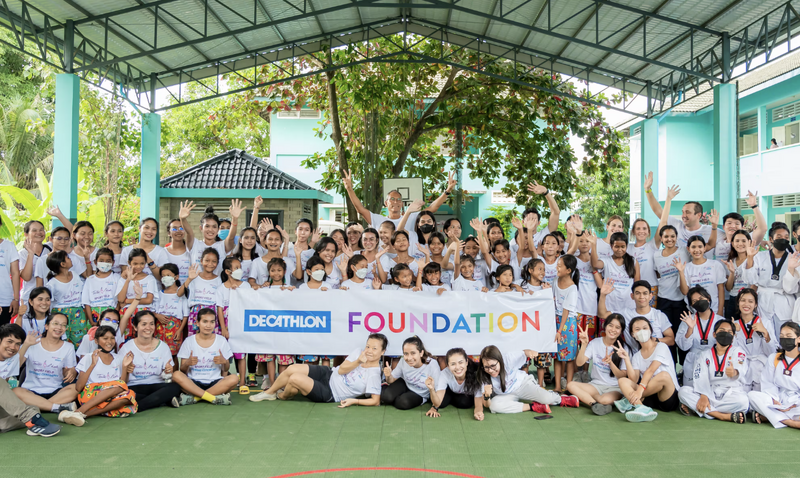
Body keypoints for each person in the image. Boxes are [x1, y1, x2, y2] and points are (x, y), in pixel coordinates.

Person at [251, 333, 387, 406]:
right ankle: (270, 392)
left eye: (374, 349)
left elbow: (375, 401)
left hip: (330, 393)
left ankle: (283, 395)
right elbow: (341, 370)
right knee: (293, 368)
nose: (369, 350)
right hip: (329, 373)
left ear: (382, 352)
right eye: (368, 346)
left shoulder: (374, 374)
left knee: (294, 379)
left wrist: (353, 401)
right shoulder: (359, 352)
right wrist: (358, 361)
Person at [58, 326, 138, 426]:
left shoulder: (119, 358)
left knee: (130, 394)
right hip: (89, 396)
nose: (110, 341)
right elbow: (78, 387)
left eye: (112, 338)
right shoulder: (88, 357)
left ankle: (80, 414)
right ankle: (81, 411)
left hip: (110, 397)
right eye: (105, 338)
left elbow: (123, 386)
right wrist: (92, 364)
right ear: (96, 341)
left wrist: (125, 367)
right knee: (121, 388)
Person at [678, 319, 749, 423]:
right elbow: (700, 376)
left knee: (743, 402)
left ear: (733, 337)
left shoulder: (738, 352)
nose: (726, 334)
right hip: (709, 392)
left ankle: (704, 410)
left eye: (729, 332)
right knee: (683, 391)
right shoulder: (704, 354)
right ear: (714, 334)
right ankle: (723, 416)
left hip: (730, 393)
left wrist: (734, 372)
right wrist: (703, 396)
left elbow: (741, 367)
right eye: (722, 330)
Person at [342, 170, 454, 232]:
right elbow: (360, 209)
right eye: (392, 199)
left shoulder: (412, 217)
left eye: (399, 200)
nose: (396, 202)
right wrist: (349, 189)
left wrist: (447, 191)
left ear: (402, 204)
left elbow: (433, 208)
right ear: (386, 203)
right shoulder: (378, 219)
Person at [0, 323, 61, 436]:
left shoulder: (12, 360)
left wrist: (27, 344)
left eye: (17, 344)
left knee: (34, 408)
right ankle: (30, 419)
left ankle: (4, 425)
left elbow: (5, 386)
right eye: (9, 341)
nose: (13, 347)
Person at [614, 317, 680, 422]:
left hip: (667, 397)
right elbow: (634, 379)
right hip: (649, 396)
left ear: (650, 330)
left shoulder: (661, 347)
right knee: (622, 380)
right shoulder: (636, 356)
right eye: (637, 329)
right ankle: (642, 408)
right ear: (632, 334)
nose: (642, 331)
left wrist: (639, 391)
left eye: (645, 328)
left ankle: (630, 400)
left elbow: (651, 370)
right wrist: (626, 359)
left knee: (664, 375)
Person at [479, 345, 577, 414]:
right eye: (486, 367)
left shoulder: (508, 358)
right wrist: (487, 397)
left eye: (493, 366)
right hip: (505, 395)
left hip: (522, 384)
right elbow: (486, 405)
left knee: (547, 399)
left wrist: (530, 352)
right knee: (494, 406)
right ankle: (533, 407)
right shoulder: (483, 375)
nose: (491, 370)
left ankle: (561, 399)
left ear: (499, 360)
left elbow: (524, 352)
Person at [13, 313, 79, 413]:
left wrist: (71, 372)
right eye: (55, 323)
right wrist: (26, 345)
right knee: (16, 392)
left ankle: (39, 406)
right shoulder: (33, 343)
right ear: (47, 326)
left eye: (63, 325)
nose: (59, 327)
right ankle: (55, 407)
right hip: (30, 391)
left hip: (55, 392)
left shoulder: (68, 347)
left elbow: (69, 372)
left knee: (75, 388)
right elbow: (15, 365)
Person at [118, 311, 182, 411]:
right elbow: (121, 380)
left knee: (175, 388)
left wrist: (168, 372)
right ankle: (162, 400)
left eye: (151, 324)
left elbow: (167, 376)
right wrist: (126, 369)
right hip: (135, 387)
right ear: (135, 327)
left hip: (157, 385)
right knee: (123, 393)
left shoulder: (163, 347)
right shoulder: (126, 348)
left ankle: (138, 406)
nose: (148, 327)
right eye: (144, 324)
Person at [566, 314, 627, 415]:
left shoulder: (623, 347)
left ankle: (588, 398)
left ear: (621, 331)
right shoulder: (595, 343)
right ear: (605, 326)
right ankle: (594, 404)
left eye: (617, 327)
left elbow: (622, 376)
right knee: (570, 385)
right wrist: (584, 344)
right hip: (595, 385)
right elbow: (579, 363)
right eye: (610, 325)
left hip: (615, 387)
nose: (613, 329)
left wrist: (611, 363)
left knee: (604, 400)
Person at [644, 172, 716, 257]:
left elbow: (730, 237)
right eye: (683, 212)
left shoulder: (711, 231)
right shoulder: (677, 225)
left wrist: (715, 224)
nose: (684, 215)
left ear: (699, 215)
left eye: (688, 212)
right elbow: (659, 211)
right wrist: (648, 190)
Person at [176, 308, 238, 406]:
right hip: (194, 382)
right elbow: (182, 371)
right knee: (176, 375)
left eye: (212, 322)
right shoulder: (189, 341)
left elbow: (226, 369)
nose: (208, 325)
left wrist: (224, 362)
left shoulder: (221, 340)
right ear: (197, 323)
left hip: (215, 382)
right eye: (205, 321)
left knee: (234, 378)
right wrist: (188, 363)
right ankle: (213, 397)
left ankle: (196, 398)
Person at [745, 222, 796, 339]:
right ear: (771, 239)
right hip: (764, 299)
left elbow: (794, 284)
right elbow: (750, 279)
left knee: (784, 334)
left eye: (786, 238)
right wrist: (749, 258)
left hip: (785, 300)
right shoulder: (760, 256)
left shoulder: (793, 258)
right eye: (779, 237)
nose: (783, 239)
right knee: (764, 335)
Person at [748, 322, 800, 428]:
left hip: (796, 402)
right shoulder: (774, 358)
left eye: (789, 336)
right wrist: (775, 401)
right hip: (778, 399)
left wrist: (793, 405)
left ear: (799, 339)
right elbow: (768, 383)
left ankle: (772, 417)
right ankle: (788, 421)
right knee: (752, 395)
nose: (785, 339)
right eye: (782, 336)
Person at [598, 280, 675, 351]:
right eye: (637, 293)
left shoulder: (659, 315)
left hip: (657, 357)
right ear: (632, 296)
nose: (641, 297)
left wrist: (654, 340)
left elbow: (671, 340)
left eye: (645, 293)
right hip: (634, 360)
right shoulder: (626, 313)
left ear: (650, 296)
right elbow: (602, 314)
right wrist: (603, 295)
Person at [215, 258, 252, 393]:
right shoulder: (220, 288)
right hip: (225, 325)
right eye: (236, 268)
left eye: (240, 267)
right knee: (223, 353)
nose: (240, 270)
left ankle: (242, 382)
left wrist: (238, 292)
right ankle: (223, 381)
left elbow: (249, 303)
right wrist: (224, 328)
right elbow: (220, 309)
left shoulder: (245, 286)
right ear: (228, 271)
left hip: (240, 324)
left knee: (241, 354)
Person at [677, 286, 725, 387]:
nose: (698, 302)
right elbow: (683, 346)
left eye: (700, 298)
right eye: (694, 301)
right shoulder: (687, 320)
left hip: (714, 359)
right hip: (693, 360)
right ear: (691, 305)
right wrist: (690, 328)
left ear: (708, 298)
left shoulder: (720, 321)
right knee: (691, 392)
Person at [179, 200, 243, 276]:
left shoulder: (222, 246)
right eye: (207, 226)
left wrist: (235, 219)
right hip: (195, 287)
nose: (210, 230)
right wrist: (182, 219)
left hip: (217, 286)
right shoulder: (194, 244)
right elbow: (189, 232)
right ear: (201, 228)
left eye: (214, 227)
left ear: (218, 229)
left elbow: (231, 237)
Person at [380, 336, 440, 410]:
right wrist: (388, 376)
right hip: (405, 384)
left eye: (413, 353)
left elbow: (438, 389)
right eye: (406, 354)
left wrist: (434, 407)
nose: (409, 358)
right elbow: (391, 380)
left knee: (403, 403)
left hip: (420, 394)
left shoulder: (432, 364)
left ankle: (394, 396)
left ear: (421, 353)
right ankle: (385, 389)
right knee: (387, 397)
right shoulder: (403, 361)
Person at [733, 288, 775, 392]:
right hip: (742, 365)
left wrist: (765, 333)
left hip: (761, 365)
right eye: (743, 300)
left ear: (756, 304)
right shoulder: (734, 324)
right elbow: (732, 351)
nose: (746, 304)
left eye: (750, 301)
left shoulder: (765, 322)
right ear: (738, 303)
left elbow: (772, 352)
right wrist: (733, 334)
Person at [588, 231, 640, 311]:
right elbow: (595, 264)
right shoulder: (606, 261)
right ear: (611, 246)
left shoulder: (633, 261)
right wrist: (593, 245)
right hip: (609, 306)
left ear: (627, 246)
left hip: (629, 307)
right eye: (616, 246)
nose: (620, 250)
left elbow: (637, 284)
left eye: (623, 246)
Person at [45, 251, 88, 347]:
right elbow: (48, 303)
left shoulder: (75, 275)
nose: (70, 259)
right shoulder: (52, 284)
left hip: (78, 313)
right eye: (68, 258)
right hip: (60, 314)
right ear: (63, 264)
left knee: (79, 342)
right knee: (61, 341)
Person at [427, 348, 484, 420]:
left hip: (465, 395)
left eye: (460, 362)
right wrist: (433, 407)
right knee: (440, 404)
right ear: (448, 366)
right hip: (450, 391)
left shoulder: (476, 374)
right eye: (453, 364)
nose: (457, 367)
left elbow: (478, 399)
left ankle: (452, 400)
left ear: (466, 362)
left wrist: (478, 412)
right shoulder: (445, 373)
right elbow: (437, 402)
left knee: (465, 403)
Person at [676, 233, 725, 316]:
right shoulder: (685, 268)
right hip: (695, 312)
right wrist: (681, 272)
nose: (697, 250)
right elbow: (685, 292)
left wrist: (720, 310)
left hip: (715, 310)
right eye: (693, 247)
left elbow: (721, 290)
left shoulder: (715, 265)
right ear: (688, 249)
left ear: (705, 248)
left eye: (700, 246)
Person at [116, 248, 159, 338]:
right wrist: (128, 280)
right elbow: (120, 299)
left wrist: (127, 301)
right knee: (126, 339)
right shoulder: (123, 279)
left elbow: (148, 300)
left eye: (142, 263)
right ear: (129, 262)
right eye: (135, 264)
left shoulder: (149, 279)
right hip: (127, 314)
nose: (139, 266)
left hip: (145, 314)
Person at [179, 249, 222, 336]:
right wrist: (189, 279)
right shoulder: (194, 277)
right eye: (207, 260)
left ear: (217, 263)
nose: (210, 264)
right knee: (195, 339)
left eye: (214, 261)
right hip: (196, 313)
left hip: (212, 313)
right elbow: (179, 293)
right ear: (201, 261)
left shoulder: (219, 280)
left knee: (211, 340)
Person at [553, 255, 580, 392]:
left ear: (568, 270)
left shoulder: (572, 288)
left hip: (568, 323)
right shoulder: (555, 281)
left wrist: (559, 331)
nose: (557, 268)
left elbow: (566, 311)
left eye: (559, 266)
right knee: (557, 355)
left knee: (569, 357)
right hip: (556, 320)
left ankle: (569, 386)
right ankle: (558, 386)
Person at [715, 192, 766, 262]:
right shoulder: (719, 239)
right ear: (723, 227)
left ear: (742, 227)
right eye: (729, 223)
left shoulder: (748, 239)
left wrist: (754, 206)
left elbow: (762, 229)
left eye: (737, 224)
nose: (733, 226)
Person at [154, 264, 188, 364]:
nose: (165, 278)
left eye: (168, 275)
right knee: (160, 353)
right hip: (160, 328)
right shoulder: (160, 294)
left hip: (175, 329)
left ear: (176, 277)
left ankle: (175, 378)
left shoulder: (181, 294)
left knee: (173, 355)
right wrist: (157, 316)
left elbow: (185, 315)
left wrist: (180, 330)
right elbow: (153, 310)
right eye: (163, 276)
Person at [19, 220, 51, 317]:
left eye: (41, 230)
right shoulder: (22, 253)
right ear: (26, 234)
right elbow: (26, 277)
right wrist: (30, 254)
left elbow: (70, 233)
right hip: (29, 298)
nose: (39, 233)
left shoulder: (50, 248)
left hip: (50, 298)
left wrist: (59, 215)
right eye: (34, 230)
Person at [81, 247, 120, 327]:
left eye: (108, 261)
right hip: (94, 314)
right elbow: (86, 303)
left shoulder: (117, 278)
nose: (104, 263)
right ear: (95, 262)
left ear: (113, 262)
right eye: (101, 261)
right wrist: (91, 321)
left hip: (112, 315)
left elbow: (120, 300)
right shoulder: (90, 280)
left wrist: (115, 314)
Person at [628, 218, 659, 303]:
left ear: (648, 231)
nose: (641, 231)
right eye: (638, 228)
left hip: (651, 287)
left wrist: (668, 203)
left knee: (650, 315)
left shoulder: (653, 245)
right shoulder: (627, 248)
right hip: (632, 288)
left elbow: (662, 222)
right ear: (633, 231)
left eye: (644, 228)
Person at [0, 217, 20, 325]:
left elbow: (15, 273)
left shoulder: (9, 246)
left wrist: (16, 299)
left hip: (5, 299)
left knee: (3, 335)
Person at [163, 219, 192, 283]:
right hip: (169, 291)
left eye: (181, 228)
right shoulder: (163, 252)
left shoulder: (191, 251)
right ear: (168, 233)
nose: (178, 231)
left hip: (189, 291)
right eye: (174, 229)